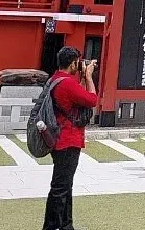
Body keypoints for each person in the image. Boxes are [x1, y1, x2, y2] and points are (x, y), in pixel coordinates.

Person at [42, 47, 98, 230]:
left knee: (65, 186)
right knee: (60, 188)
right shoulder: (66, 83)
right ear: (73, 62)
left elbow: (77, 99)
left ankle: (67, 225)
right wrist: (89, 77)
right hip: (67, 139)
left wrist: (82, 79)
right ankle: (51, 226)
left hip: (59, 138)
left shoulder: (56, 79)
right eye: (78, 62)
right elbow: (91, 100)